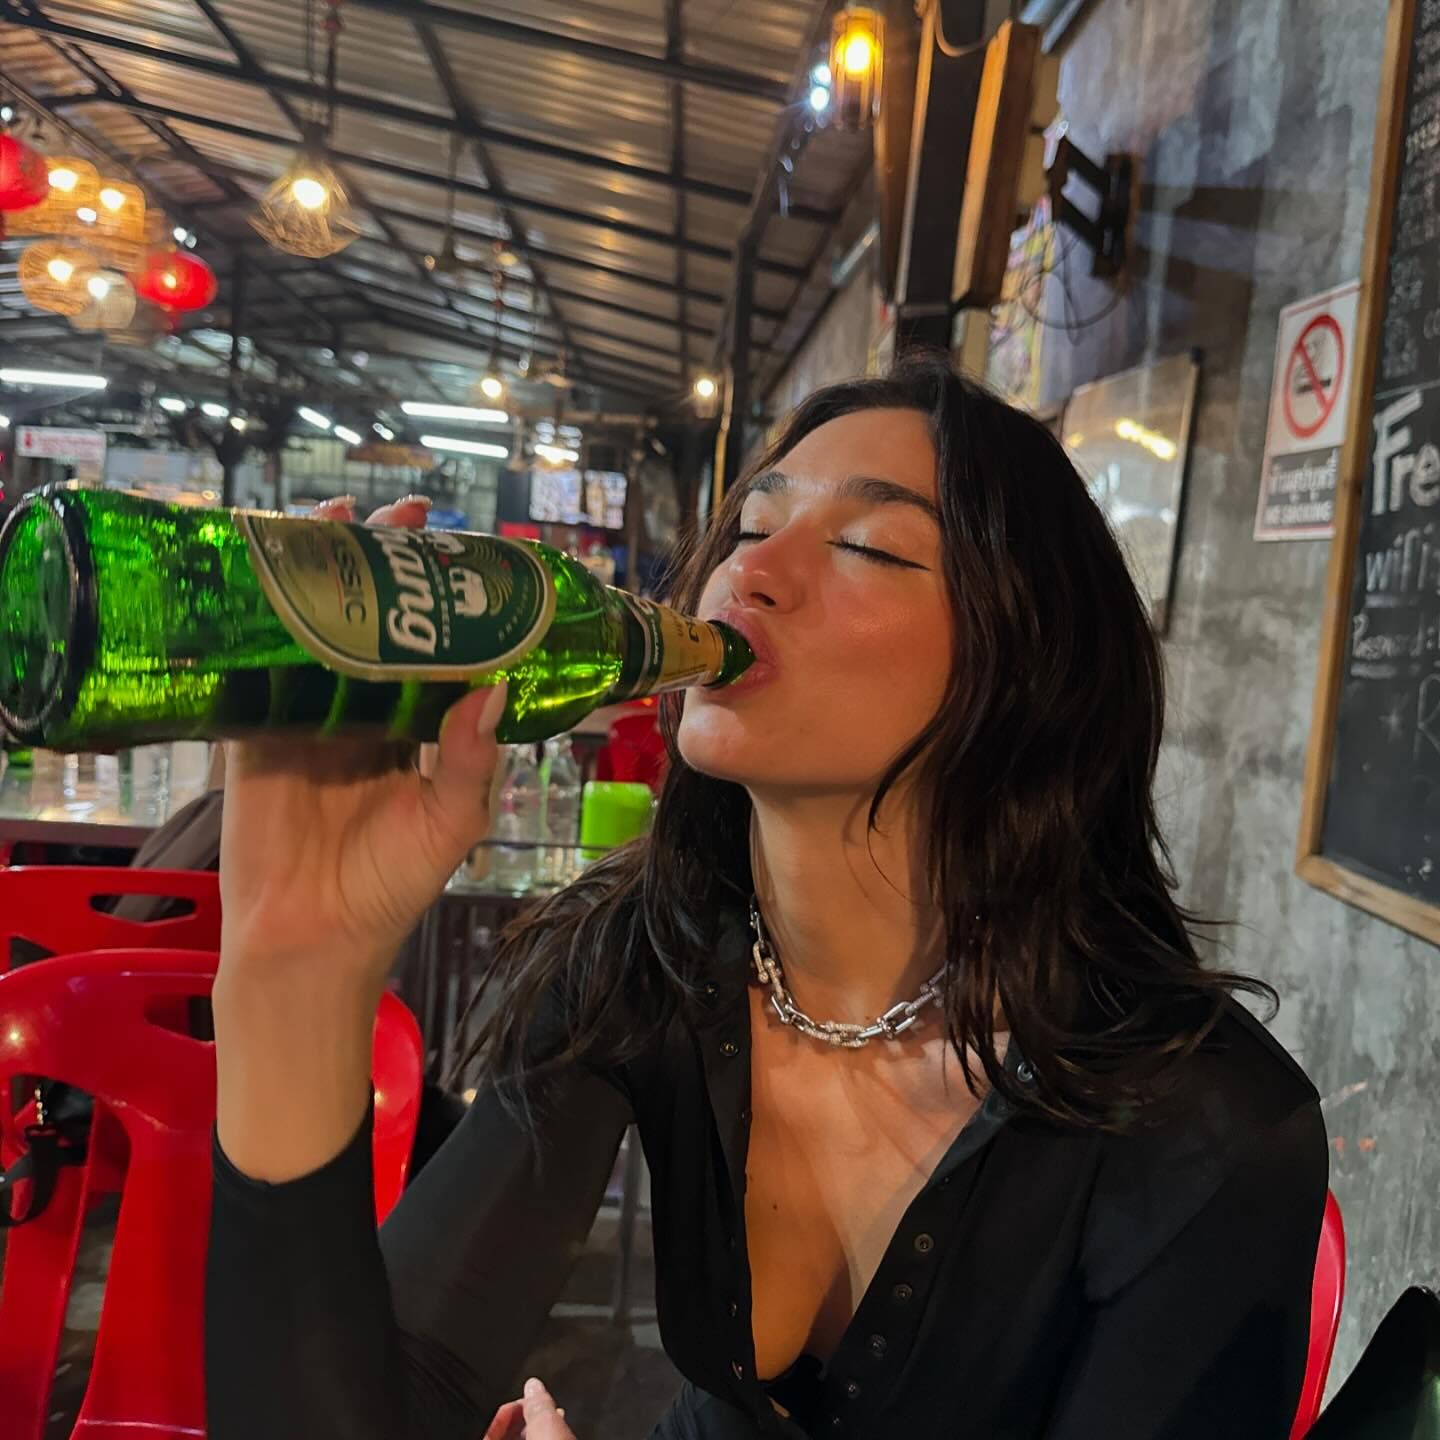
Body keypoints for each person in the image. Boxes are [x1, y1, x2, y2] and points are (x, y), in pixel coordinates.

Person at [205, 357, 1328, 1440]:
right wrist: (293, 974)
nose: (751, 573)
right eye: (749, 527)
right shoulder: (646, 953)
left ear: (1025, 669)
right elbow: (395, 1391)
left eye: (868, 546)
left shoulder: (1207, 1128)